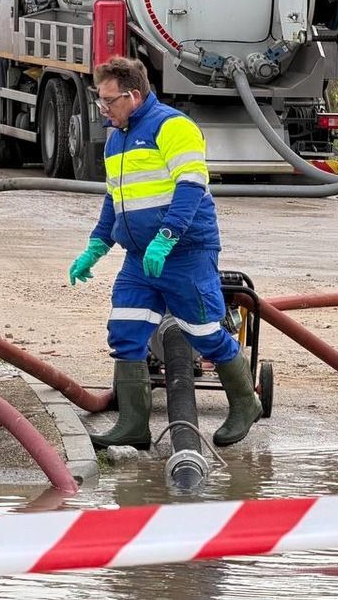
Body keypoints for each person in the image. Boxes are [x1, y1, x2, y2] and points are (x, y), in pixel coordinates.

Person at [68, 56, 261, 449]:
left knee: (204, 333)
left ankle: (246, 403)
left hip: (184, 253)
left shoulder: (173, 127)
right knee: (125, 332)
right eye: (100, 100)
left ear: (133, 96)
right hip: (140, 258)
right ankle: (133, 426)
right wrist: (96, 246)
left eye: (109, 101)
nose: (103, 109)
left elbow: (191, 186)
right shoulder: (116, 138)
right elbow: (115, 199)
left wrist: (166, 237)